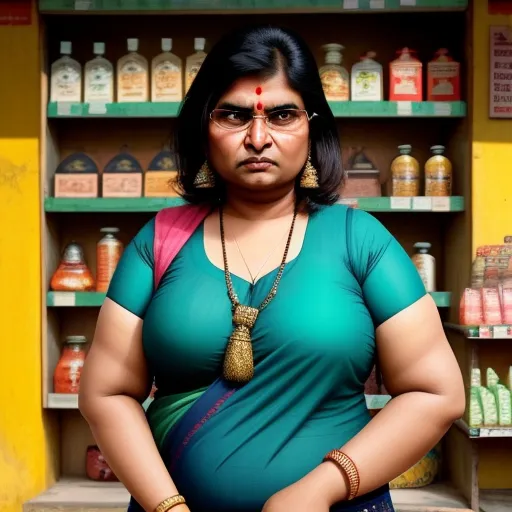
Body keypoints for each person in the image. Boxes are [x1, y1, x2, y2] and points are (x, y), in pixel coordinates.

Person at [78, 25, 465, 512]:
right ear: (204, 126)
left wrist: (318, 490)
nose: (257, 138)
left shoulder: (360, 240)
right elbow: (106, 393)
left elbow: (436, 393)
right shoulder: (160, 241)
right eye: (234, 116)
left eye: (282, 115)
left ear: (312, 127)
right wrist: (166, 507)